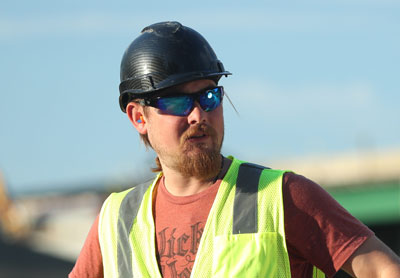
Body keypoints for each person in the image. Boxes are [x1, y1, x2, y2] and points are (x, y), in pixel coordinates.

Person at [69, 21, 400, 278]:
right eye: (177, 101)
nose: (198, 114)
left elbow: (384, 269)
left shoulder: (282, 197)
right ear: (138, 117)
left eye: (209, 96)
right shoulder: (115, 223)